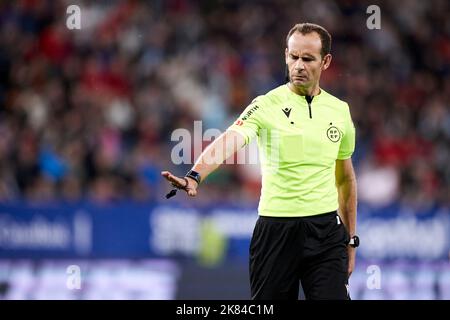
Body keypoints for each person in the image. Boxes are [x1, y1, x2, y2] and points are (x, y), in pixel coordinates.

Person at [162, 23, 358, 300]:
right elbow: (230, 139)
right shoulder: (266, 104)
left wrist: (351, 239)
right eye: (293, 56)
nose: (298, 65)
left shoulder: (340, 111)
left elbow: (344, 178)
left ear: (325, 62)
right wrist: (195, 175)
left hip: (326, 232)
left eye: (307, 58)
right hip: (276, 231)